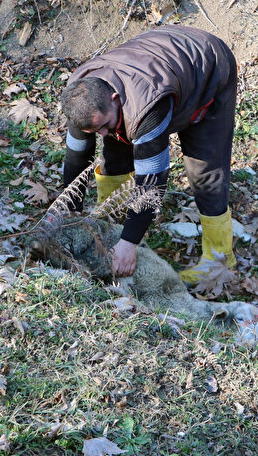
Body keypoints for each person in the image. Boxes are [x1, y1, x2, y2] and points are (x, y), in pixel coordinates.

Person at [60, 26, 237, 283]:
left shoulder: (147, 107)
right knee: (115, 150)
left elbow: (152, 183)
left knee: (204, 170)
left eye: (103, 125)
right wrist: (70, 217)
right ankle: (112, 221)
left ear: (114, 98)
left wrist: (129, 243)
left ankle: (219, 259)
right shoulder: (81, 98)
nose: (100, 134)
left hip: (207, 69)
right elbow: (76, 159)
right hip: (158, 60)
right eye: (94, 129)